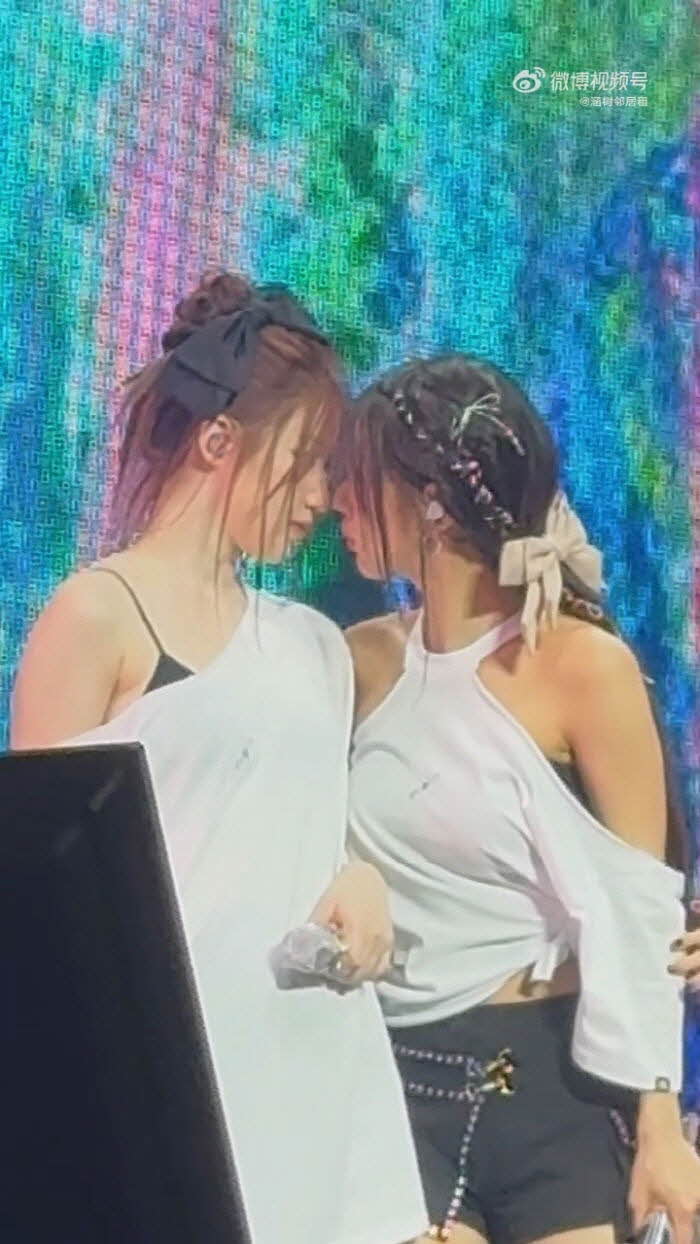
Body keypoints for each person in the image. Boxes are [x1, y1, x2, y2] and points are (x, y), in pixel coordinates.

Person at [11, 271, 428, 1244]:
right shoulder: (97, 615)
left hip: (301, 1065)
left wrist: (361, 880)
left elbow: (314, 836)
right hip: (145, 1081)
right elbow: (32, 890)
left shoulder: (312, 646)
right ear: (218, 441)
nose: (322, 498)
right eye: (307, 463)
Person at [332, 353, 700, 1244]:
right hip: (394, 1086)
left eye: (357, 478)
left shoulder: (582, 666)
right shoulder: (357, 663)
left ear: (429, 500)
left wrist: (661, 1124)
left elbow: (637, 904)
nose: (337, 501)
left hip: (554, 1091)